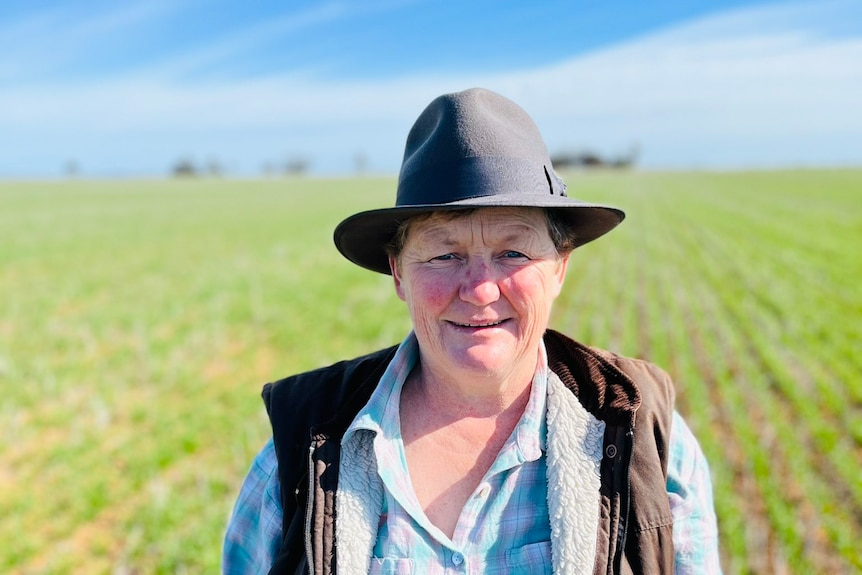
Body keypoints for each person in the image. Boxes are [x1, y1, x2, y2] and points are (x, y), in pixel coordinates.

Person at [223, 88, 721, 574]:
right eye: (444, 254)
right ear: (399, 273)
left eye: (513, 252)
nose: (480, 290)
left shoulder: (649, 442)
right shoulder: (298, 454)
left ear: (559, 269)